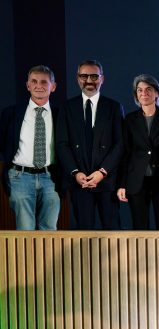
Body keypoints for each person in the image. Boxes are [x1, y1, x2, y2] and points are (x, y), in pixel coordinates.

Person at [56, 59, 124, 229]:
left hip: (106, 181)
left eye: (94, 76)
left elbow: (119, 144)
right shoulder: (67, 107)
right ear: (77, 78)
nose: (89, 81)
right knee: (84, 232)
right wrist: (75, 173)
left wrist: (102, 172)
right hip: (79, 181)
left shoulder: (114, 107)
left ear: (102, 79)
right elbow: (62, 144)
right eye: (84, 76)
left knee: (112, 231)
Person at [0, 65, 62, 230]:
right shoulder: (11, 113)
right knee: (25, 229)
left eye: (44, 82)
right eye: (34, 81)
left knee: (49, 228)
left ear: (53, 87)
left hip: (51, 178)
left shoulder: (61, 115)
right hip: (20, 177)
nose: (38, 86)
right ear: (28, 86)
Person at [116, 74, 159, 229]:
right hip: (136, 181)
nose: (144, 93)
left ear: (157, 93)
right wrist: (122, 184)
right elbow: (125, 154)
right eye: (140, 90)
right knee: (139, 227)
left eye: (148, 89)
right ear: (136, 94)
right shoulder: (129, 120)